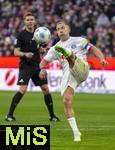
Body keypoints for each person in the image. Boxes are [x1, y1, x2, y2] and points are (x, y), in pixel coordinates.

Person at [39, 20, 108, 142]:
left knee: (70, 56)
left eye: (63, 28)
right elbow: (43, 62)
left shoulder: (80, 40)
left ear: (68, 29)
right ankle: (76, 133)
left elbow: (94, 49)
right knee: (66, 100)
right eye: (58, 28)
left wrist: (102, 59)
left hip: (82, 69)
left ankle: (69, 54)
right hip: (70, 76)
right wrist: (43, 69)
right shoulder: (55, 48)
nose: (60, 30)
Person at [5, 12, 59, 122]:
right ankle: (9, 115)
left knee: (46, 89)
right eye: (28, 19)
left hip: (37, 66)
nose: (30, 21)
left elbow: (40, 50)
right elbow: (15, 52)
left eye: (31, 19)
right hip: (25, 67)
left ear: (34, 21)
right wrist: (25, 54)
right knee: (23, 89)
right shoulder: (21, 35)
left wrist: (43, 50)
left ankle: (52, 115)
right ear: (25, 22)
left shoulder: (39, 34)